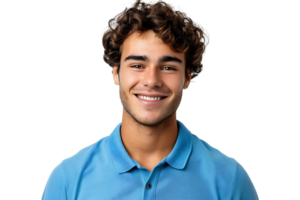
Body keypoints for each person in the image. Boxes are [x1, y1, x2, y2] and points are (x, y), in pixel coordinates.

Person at [40, 0, 260, 199]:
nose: (152, 80)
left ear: (187, 79)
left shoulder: (230, 179)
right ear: (115, 73)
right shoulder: (67, 179)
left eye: (168, 67)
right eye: (137, 65)